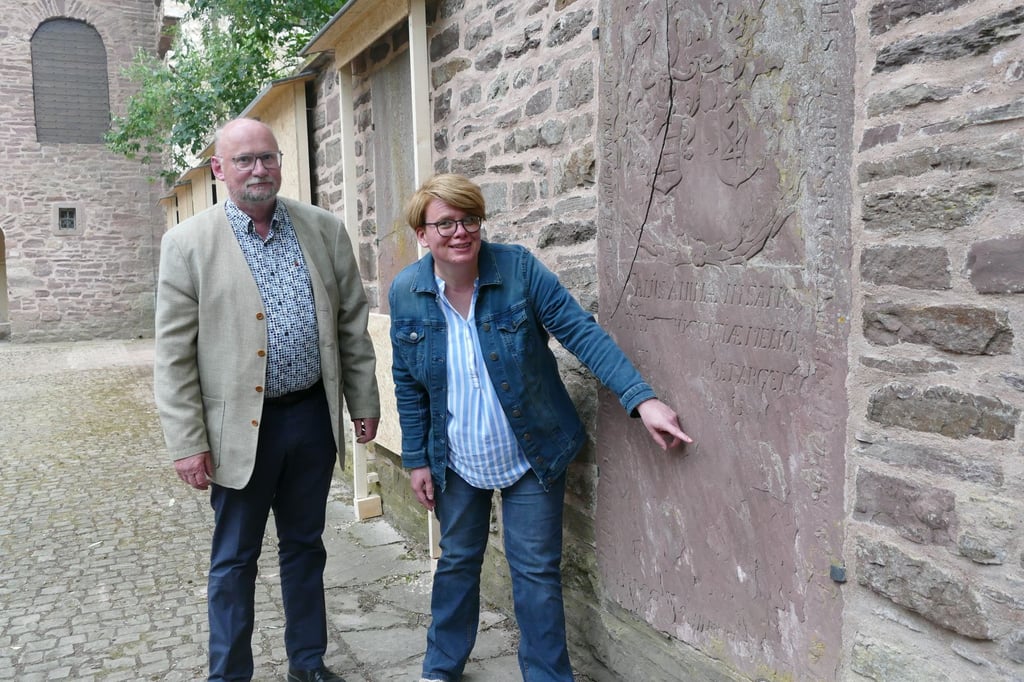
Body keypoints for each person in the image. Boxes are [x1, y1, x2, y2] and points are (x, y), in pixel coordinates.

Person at [388, 173, 692, 682]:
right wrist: (416, 457)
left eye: (470, 220)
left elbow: (580, 333)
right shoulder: (406, 293)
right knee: (457, 563)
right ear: (422, 234)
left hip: (533, 454)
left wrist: (643, 401)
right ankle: (440, 669)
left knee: (534, 575)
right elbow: (408, 382)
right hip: (457, 458)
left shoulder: (519, 269)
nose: (460, 232)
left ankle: (548, 677)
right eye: (445, 223)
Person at [153, 117, 380, 682]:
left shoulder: (324, 230)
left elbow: (351, 323)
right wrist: (187, 443)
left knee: (306, 546)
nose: (259, 170)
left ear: (281, 162)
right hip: (239, 432)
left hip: (309, 418)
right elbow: (174, 354)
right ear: (219, 170)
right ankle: (229, 674)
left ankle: (308, 664)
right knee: (234, 559)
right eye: (245, 160)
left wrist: (363, 399)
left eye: (268, 158)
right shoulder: (187, 244)